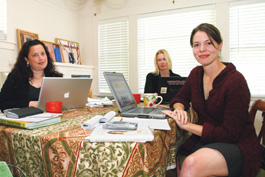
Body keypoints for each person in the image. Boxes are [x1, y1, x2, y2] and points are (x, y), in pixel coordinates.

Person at [169, 23, 261, 177]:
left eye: (209, 43)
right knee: (174, 154)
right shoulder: (196, 74)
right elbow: (180, 97)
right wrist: (179, 109)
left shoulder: (235, 81)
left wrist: (187, 126)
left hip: (237, 145)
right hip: (209, 141)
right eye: (196, 45)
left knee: (190, 164)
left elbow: (229, 134)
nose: (202, 49)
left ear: (220, 45)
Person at [0, 39, 63, 112]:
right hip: (26, 120)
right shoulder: (15, 78)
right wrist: (30, 104)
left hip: (54, 118)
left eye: (43, 53)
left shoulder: (56, 78)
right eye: (35, 55)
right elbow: (3, 104)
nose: (41, 58)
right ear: (26, 59)